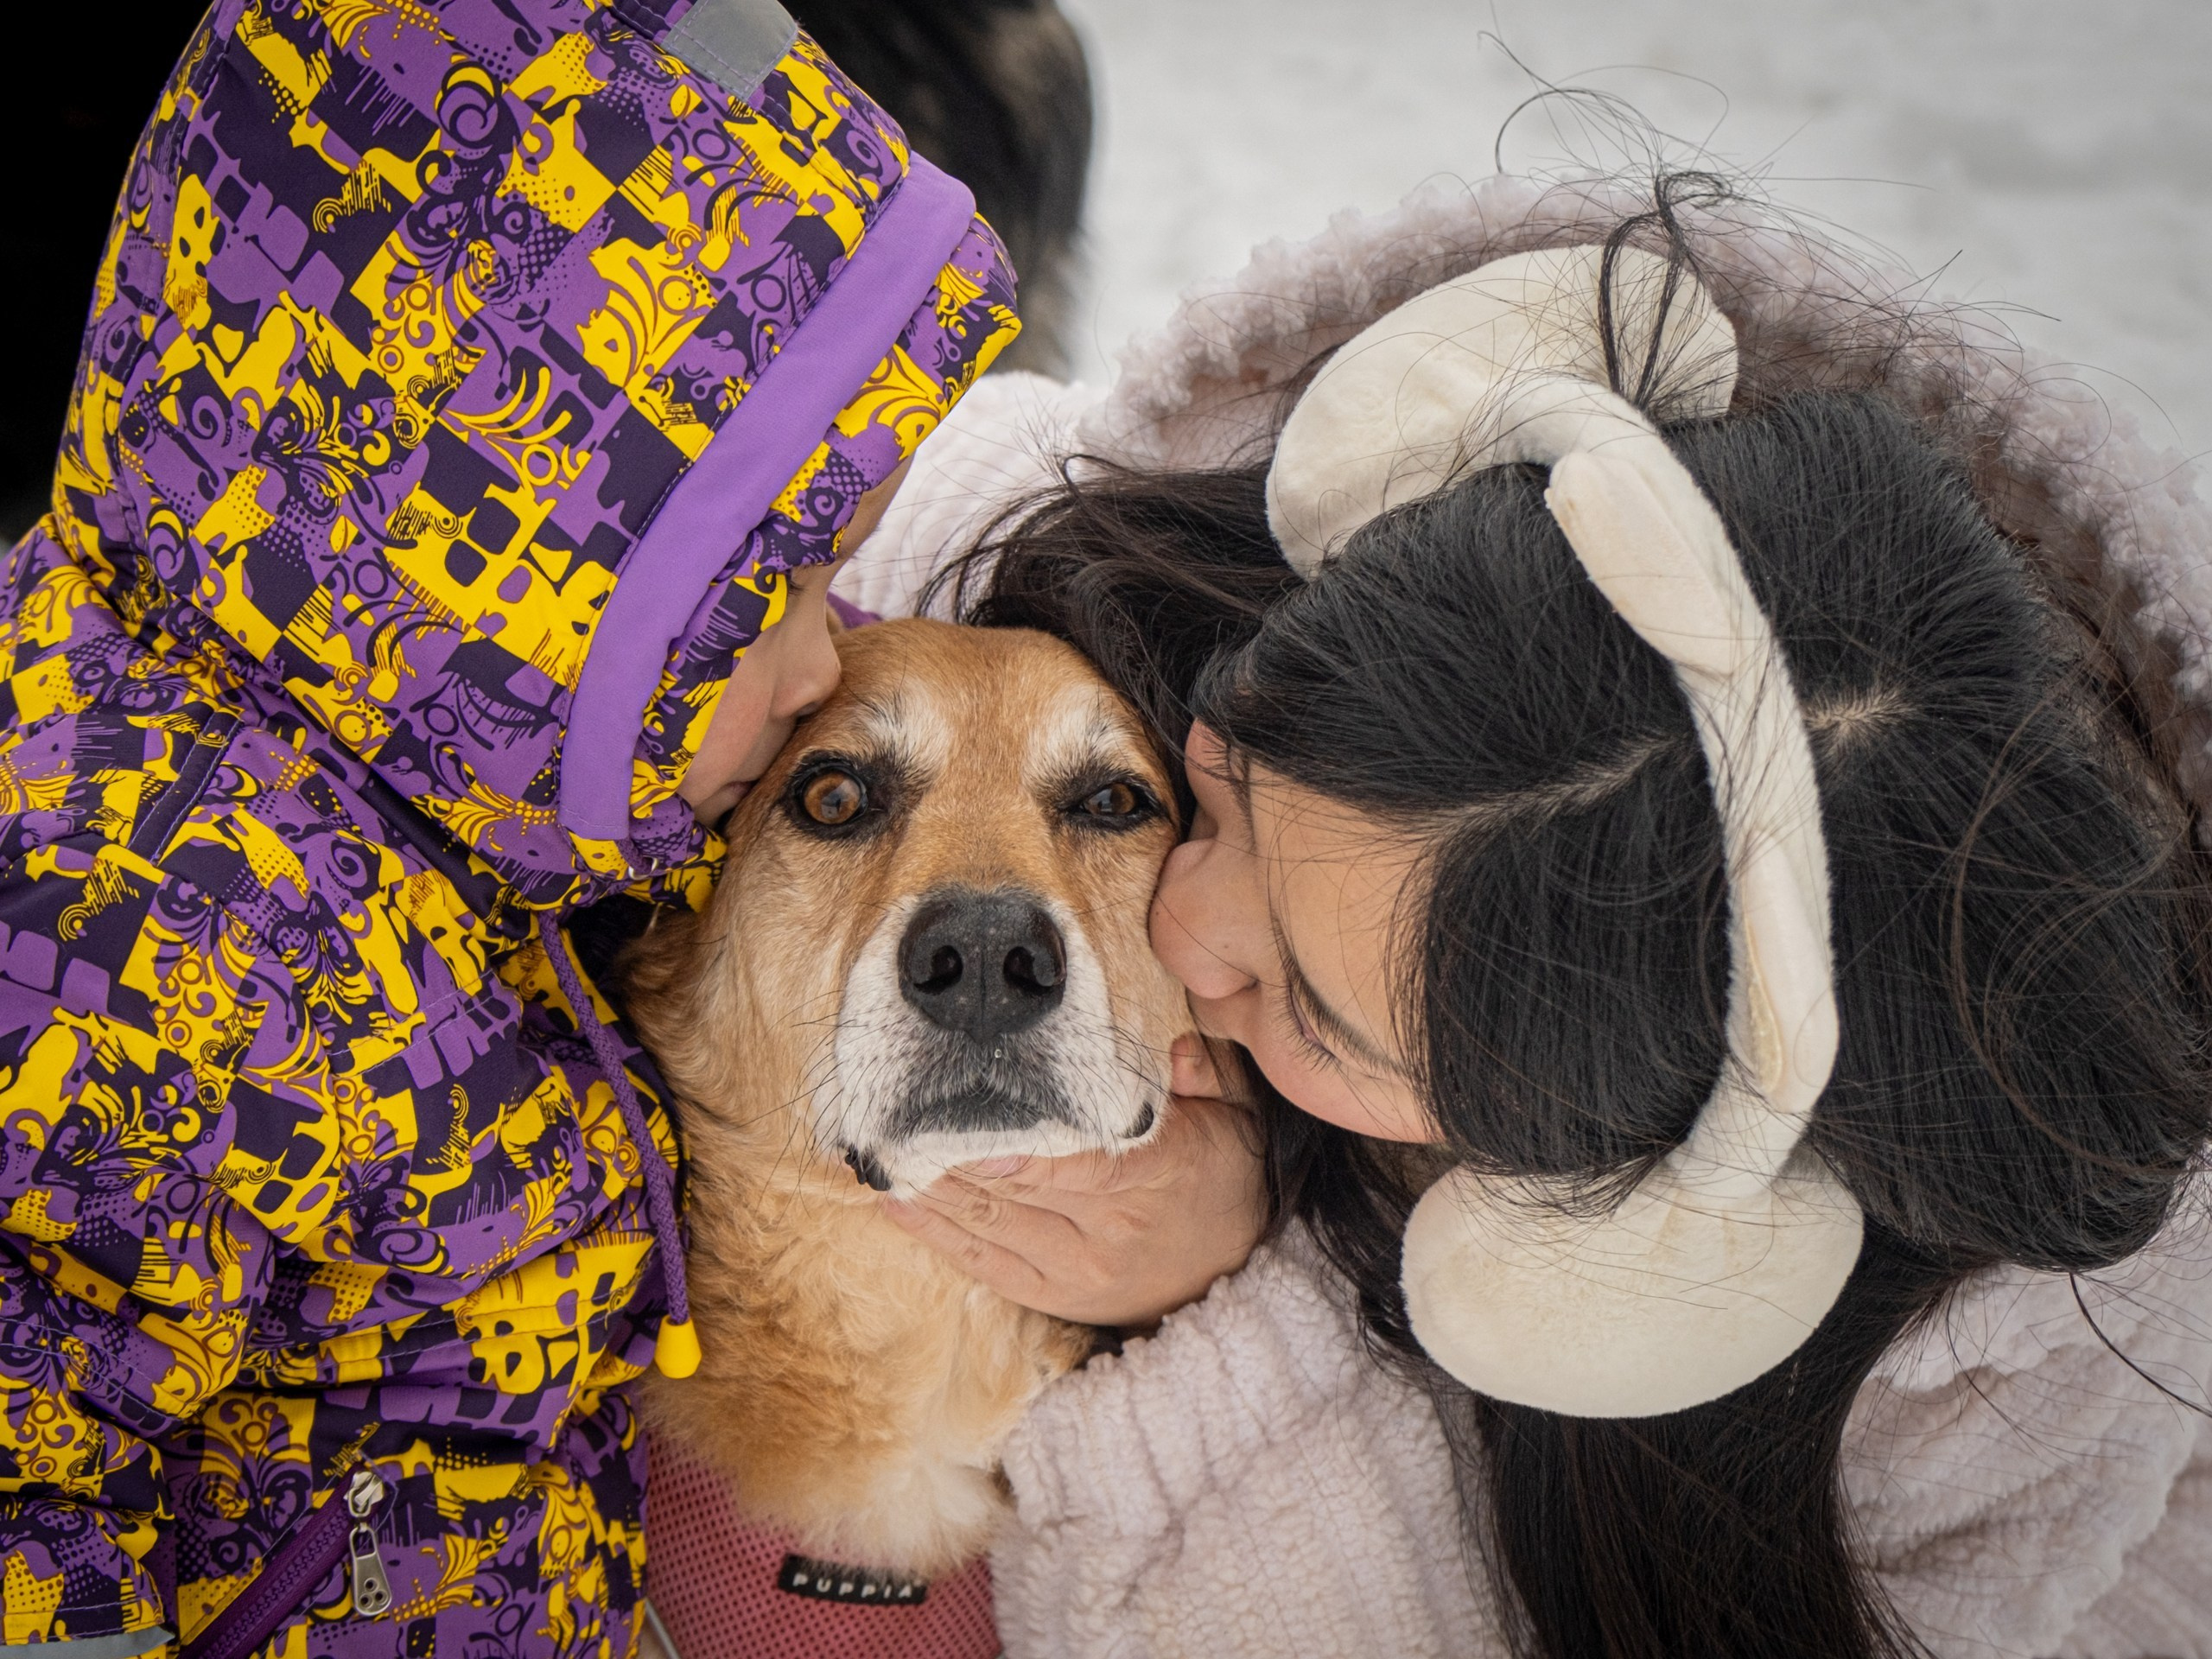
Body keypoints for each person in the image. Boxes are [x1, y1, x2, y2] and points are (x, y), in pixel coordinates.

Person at [842, 174, 2212, 1657]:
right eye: (1225, 781)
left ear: (1637, 1237)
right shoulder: (1153, 563)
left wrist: (1212, 1321)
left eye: (1312, 1004)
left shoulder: (2013, 1435)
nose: (1185, 928)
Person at [0, 2, 1027, 1655]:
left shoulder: (442, 785)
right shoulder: (138, 931)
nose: (826, 652)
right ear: (484, 587)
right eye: (759, 593)